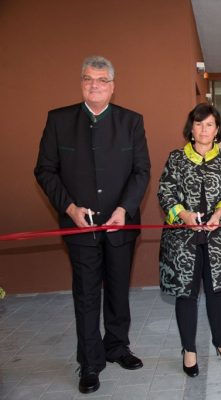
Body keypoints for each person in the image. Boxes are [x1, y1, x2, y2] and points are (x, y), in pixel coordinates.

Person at [34, 55, 150, 394]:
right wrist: (69, 208)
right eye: (88, 79)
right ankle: (90, 362)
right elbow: (44, 170)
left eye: (101, 80)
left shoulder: (131, 121)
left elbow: (141, 170)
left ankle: (117, 347)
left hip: (120, 226)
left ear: (112, 87)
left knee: (118, 290)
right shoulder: (59, 120)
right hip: (79, 227)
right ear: (81, 82)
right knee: (85, 295)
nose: (94, 85)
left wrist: (124, 209)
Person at [158, 104, 221, 377]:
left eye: (209, 124)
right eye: (199, 124)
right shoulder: (176, 158)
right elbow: (165, 192)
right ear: (190, 128)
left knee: (216, 291)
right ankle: (189, 349)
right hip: (183, 238)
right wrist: (182, 214)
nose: (204, 129)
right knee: (187, 293)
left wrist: (220, 213)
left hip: (219, 237)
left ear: (217, 129)